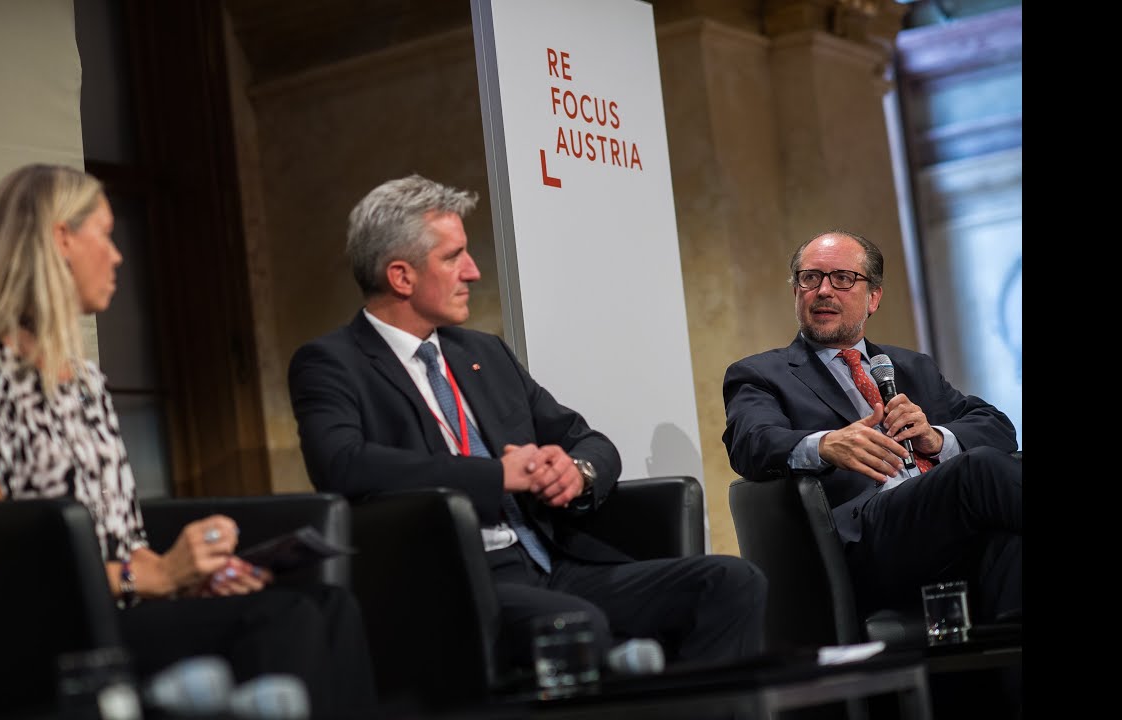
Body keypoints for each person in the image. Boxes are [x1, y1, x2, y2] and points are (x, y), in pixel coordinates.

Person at [0, 164, 377, 718]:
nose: (118, 255)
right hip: (52, 637)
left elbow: (129, 547)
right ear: (61, 239)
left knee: (332, 604)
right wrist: (154, 576)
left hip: (124, 611)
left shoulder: (86, 383)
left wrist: (187, 576)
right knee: (281, 620)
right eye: (105, 232)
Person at [288, 174, 767, 677]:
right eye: (453, 257)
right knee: (572, 624)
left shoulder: (482, 353)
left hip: (552, 562)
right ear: (402, 277)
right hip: (454, 582)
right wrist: (497, 476)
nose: (472, 272)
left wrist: (577, 471)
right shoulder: (332, 363)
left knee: (731, 581)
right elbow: (341, 464)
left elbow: (586, 439)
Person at [721, 230, 1021, 713]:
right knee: (980, 471)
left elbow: (997, 426)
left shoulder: (910, 367)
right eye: (810, 278)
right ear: (796, 289)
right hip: (864, 539)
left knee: (1011, 544)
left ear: (873, 296)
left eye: (842, 278)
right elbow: (751, 441)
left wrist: (935, 438)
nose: (823, 291)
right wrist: (824, 445)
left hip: (946, 528)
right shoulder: (761, 374)